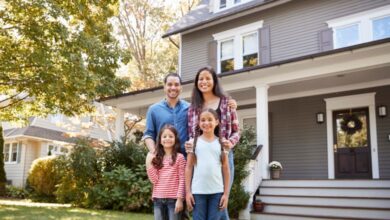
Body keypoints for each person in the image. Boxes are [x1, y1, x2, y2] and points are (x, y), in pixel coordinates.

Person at [186, 66, 240, 220]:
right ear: (196, 83)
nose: (204, 82)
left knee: (221, 202)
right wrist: (189, 145)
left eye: (207, 78)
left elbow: (236, 131)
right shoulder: (192, 108)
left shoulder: (227, 103)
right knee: (208, 205)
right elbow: (192, 134)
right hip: (200, 159)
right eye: (200, 79)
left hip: (222, 156)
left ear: (214, 81)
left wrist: (230, 142)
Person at [185, 108, 230, 220]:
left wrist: (226, 194)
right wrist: (188, 192)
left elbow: (226, 169)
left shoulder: (222, 143)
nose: (206, 123)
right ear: (199, 123)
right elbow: (189, 168)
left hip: (217, 192)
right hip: (198, 192)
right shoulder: (193, 143)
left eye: (210, 119)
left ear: (217, 121)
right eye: (203, 120)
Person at [146, 124, 186, 220]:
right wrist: (148, 163)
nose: (167, 139)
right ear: (160, 140)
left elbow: (182, 180)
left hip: (173, 200)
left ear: (175, 139)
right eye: (164, 136)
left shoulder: (180, 157)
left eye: (171, 136)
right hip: (158, 199)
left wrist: (180, 199)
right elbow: (154, 180)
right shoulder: (157, 158)